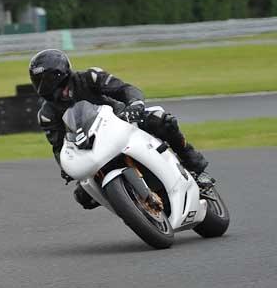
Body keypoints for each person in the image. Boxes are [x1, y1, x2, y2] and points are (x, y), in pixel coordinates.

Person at [28, 48, 213, 210]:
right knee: (83, 195)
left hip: (121, 121)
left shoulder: (90, 77)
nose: (44, 85)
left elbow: (125, 89)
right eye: (38, 80)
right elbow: (58, 146)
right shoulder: (47, 114)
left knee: (162, 121)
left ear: (61, 73)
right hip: (89, 146)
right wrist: (65, 166)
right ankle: (128, 203)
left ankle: (194, 166)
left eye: (46, 79)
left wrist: (134, 104)